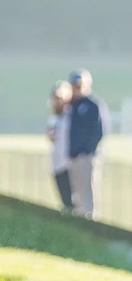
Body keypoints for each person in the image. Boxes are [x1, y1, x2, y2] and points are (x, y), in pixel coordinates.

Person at [66, 69, 109, 220]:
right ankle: (79, 219)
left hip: (87, 156)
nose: (77, 89)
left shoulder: (93, 105)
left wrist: (85, 150)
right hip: (73, 157)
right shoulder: (72, 106)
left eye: (79, 85)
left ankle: (91, 220)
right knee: (77, 193)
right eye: (74, 86)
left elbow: (99, 131)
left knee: (89, 192)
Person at [47, 81, 74, 213]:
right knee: (64, 201)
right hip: (57, 164)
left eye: (60, 98)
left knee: (72, 200)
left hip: (69, 164)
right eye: (55, 98)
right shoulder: (53, 118)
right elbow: (51, 137)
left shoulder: (71, 116)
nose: (57, 102)